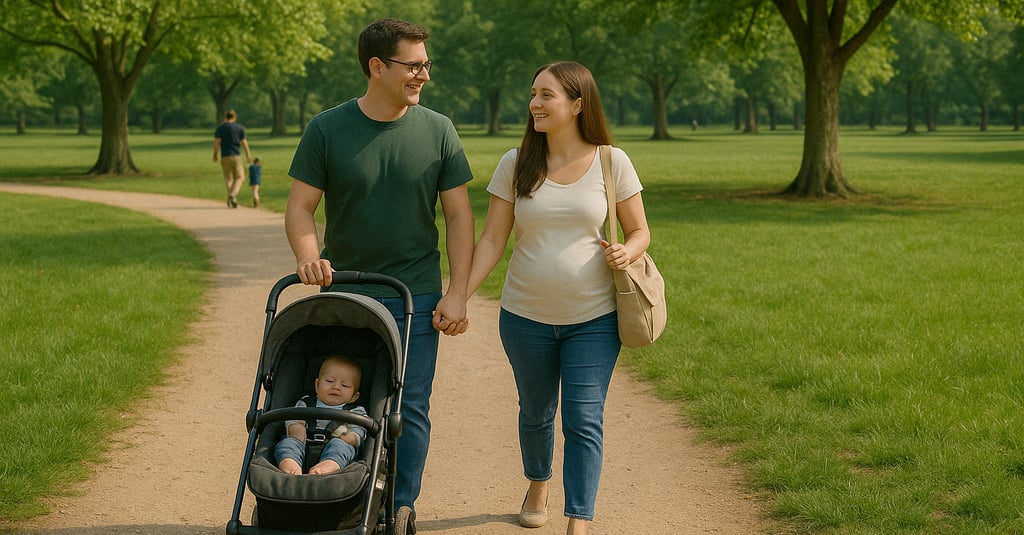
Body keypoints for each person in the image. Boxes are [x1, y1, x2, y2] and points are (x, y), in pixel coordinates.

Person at [284, 17, 475, 533]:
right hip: (345, 295)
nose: (423, 76)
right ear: (376, 66)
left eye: (425, 65)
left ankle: (402, 504)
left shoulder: (439, 130)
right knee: (342, 399)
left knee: (410, 405)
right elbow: (301, 208)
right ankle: (334, 492)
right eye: (413, 66)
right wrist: (308, 255)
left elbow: (459, 216)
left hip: (415, 294)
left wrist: (457, 292)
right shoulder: (327, 129)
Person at [465, 61, 652, 535]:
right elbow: (491, 240)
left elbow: (640, 231)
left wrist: (626, 253)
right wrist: (459, 295)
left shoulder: (613, 161)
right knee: (535, 412)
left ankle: (578, 520)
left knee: (584, 419)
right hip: (524, 316)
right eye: (533, 94)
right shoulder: (516, 163)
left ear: (577, 104)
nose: (534, 104)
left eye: (546, 95)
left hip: (595, 318)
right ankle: (537, 483)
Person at [275, 355, 368, 475]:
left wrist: (353, 436)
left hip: (334, 445)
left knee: (342, 447)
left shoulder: (356, 411)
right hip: (303, 442)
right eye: (329, 381)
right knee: (288, 443)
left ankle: (329, 465)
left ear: (354, 396)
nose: (336, 387)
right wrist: (295, 427)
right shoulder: (306, 403)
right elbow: (293, 417)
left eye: (344, 385)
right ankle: (290, 462)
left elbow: (361, 427)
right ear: (317, 385)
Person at [213, 109, 253, 208]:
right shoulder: (239, 128)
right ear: (234, 117)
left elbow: (217, 142)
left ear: (225, 117)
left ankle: (232, 197)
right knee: (240, 177)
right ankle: (233, 195)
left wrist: (215, 154)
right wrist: (248, 155)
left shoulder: (220, 128)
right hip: (236, 155)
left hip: (225, 156)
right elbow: (244, 143)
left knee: (228, 178)